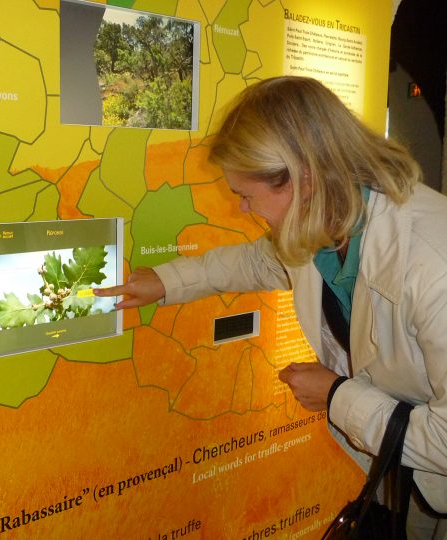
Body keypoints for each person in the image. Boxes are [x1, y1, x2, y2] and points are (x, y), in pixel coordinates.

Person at [94, 76, 447, 538]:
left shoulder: (432, 262)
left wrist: (335, 396)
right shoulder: (325, 223)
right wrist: (164, 282)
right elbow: (259, 261)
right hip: (408, 481)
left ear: (303, 178)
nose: (242, 209)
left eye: (246, 195)